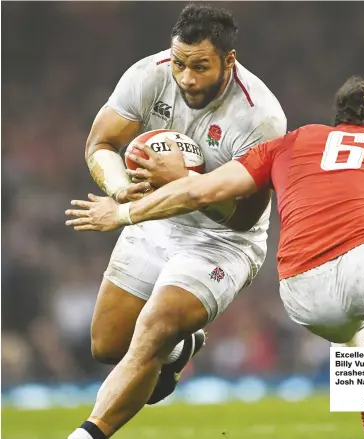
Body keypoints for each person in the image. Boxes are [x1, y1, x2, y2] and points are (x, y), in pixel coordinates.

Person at [67, 76, 364, 439]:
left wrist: (122, 214)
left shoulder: (291, 142)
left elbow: (201, 192)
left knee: (354, 337)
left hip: (303, 292)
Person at [65, 3, 287, 439]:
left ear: (229, 60)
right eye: (181, 63)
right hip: (156, 222)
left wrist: (186, 183)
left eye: (200, 66)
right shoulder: (150, 74)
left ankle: (87, 434)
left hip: (221, 240)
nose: (186, 78)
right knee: (108, 345)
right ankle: (180, 348)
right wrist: (118, 188)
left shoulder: (260, 117)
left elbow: (246, 216)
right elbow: (101, 141)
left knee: (154, 326)